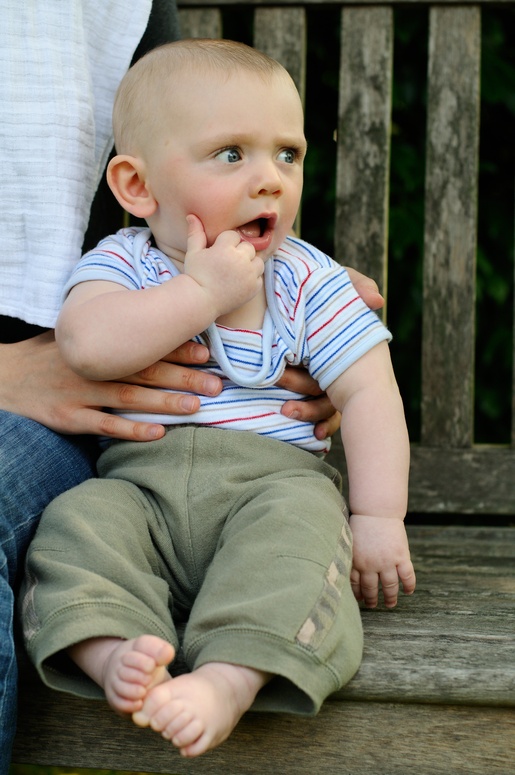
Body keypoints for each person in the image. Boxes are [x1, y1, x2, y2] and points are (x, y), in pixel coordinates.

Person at [0, 6, 381, 771]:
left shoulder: (306, 277)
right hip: (137, 485)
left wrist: (378, 516)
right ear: (136, 186)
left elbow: (371, 394)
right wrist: (198, 294)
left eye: (287, 154)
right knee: (79, 526)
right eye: (231, 153)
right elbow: (85, 343)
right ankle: (112, 649)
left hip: (270, 484)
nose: (268, 177)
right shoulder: (124, 262)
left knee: (299, 536)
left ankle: (227, 679)